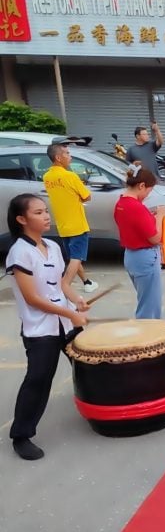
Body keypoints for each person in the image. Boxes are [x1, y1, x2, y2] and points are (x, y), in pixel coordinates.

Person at [5, 194, 89, 461]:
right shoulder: (20, 252)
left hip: (64, 322)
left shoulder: (52, 246)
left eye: (46, 211)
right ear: (21, 219)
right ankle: (21, 435)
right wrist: (69, 313)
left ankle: (98, 408)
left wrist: (76, 300)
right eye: (39, 212)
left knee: (87, 365)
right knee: (39, 379)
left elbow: (61, 284)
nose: (46, 216)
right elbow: (33, 299)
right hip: (41, 330)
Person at [42, 143, 98, 294]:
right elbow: (87, 196)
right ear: (58, 158)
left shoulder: (47, 177)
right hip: (77, 223)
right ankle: (64, 285)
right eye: (67, 153)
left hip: (62, 224)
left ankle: (86, 282)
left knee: (74, 256)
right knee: (76, 258)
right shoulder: (70, 176)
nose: (70, 156)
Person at [114, 167, 165, 319]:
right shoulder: (136, 207)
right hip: (145, 257)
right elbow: (155, 238)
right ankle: (148, 339)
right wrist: (160, 216)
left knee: (145, 301)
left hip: (131, 256)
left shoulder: (121, 203)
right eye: (149, 191)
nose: (147, 195)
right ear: (141, 186)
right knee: (149, 307)